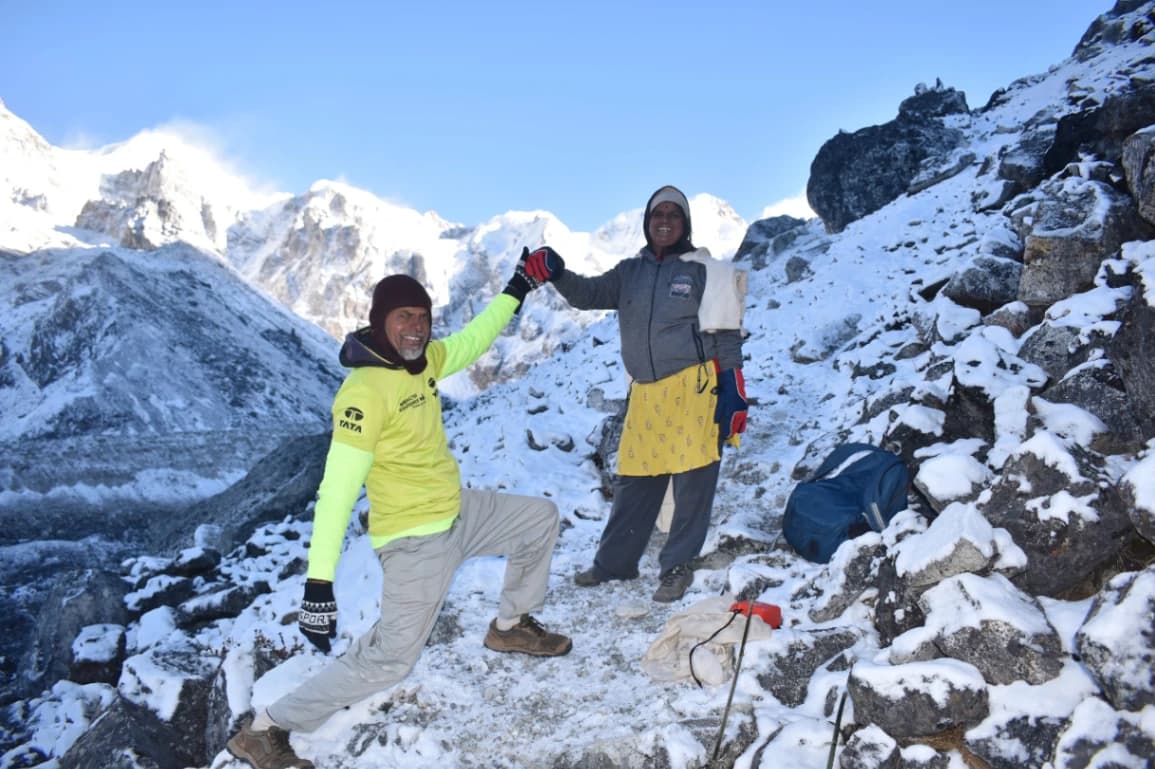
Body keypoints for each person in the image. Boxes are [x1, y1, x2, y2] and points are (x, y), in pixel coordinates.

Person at [226, 255, 571, 769]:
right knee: (389, 661)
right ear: (380, 322)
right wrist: (318, 585)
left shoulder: (425, 360)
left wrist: (518, 286)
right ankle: (266, 727)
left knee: (539, 519)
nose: (415, 328)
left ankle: (509, 625)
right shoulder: (363, 393)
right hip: (413, 540)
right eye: (403, 317)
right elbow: (337, 491)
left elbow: (475, 340)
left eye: (423, 317)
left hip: (458, 510)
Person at [524, 184, 748, 604]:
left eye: (673, 213)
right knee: (636, 480)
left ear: (685, 224)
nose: (664, 220)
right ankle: (614, 564)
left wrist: (733, 391)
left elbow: (725, 334)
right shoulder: (630, 272)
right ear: (647, 224)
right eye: (656, 214)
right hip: (646, 393)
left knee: (693, 484)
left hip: (695, 390)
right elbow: (588, 294)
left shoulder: (700, 271)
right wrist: (556, 272)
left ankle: (676, 568)